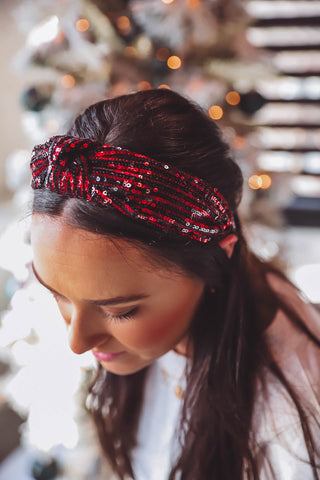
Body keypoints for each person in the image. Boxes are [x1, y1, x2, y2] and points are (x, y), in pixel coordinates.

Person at [29, 88, 320, 480]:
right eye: (57, 294)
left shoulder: (294, 431)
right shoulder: (161, 336)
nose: (77, 343)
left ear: (217, 258)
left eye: (120, 310)